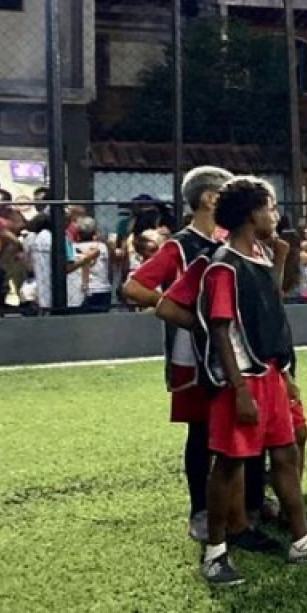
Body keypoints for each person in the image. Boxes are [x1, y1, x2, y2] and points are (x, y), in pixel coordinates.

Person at [164, 176, 307, 587]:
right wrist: (237, 390)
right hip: (242, 381)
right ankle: (215, 553)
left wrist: (283, 374)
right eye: (269, 208)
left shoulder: (254, 257)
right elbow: (220, 329)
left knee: (285, 455)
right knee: (230, 464)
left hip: (268, 374)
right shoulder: (223, 265)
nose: (275, 214)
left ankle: (302, 540)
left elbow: (265, 311)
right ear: (253, 214)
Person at [125, 165, 233, 542]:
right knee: (201, 431)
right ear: (209, 199)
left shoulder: (228, 241)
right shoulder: (178, 246)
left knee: (237, 427)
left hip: (230, 350)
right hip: (193, 356)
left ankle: (246, 502)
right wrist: (180, 310)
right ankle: (200, 510)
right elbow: (134, 288)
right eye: (227, 191)